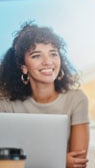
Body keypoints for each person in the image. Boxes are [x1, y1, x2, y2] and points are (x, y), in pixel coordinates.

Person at [0, 22, 89, 168]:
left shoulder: (76, 99)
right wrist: (60, 161)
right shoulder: (5, 105)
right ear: (24, 68)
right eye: (36, 56)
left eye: (53, 54)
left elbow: (78, 162)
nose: (48, 62)